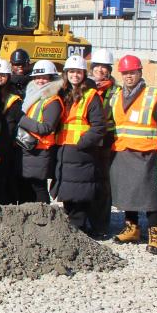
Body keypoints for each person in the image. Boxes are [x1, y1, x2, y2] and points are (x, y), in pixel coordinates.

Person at [109, 54, 157, 253]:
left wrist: (152, 142)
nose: (129, 76)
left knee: (148, 193)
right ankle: (132, 227)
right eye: (125, 73)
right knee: (127, 190)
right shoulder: (117, 96)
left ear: (140, 73)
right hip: (122, 150)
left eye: (132, 72)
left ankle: (155, 231)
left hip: (144, 153)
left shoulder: (153, 95)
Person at [52, 55, 106, 231]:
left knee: (80, 193)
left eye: (78, 72)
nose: (75, 75)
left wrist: (82, 143)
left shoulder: (91, 96)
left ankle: (79, 229)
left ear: (84, 74)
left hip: (81, 151)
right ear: (66, 73)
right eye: (71, 72)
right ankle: (72, 228)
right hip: (64, 149)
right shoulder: (62, 93)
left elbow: (99, 126)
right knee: (67, 191)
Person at [17, 60, 64, 203]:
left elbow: (46, 128)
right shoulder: (33, 95)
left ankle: (43, 218)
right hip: (27, 146)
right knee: (28, 187)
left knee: (38, 187)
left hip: (40, 149)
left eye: (44, 77)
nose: (40, 80)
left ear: (51, 78)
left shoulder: (53, 101)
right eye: (37, 77)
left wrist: (20, 118)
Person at [0, 58, 23, 204]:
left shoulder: (13, 99)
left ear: (8, 77)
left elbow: (9, 129)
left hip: (2, 151)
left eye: (2, 75)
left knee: (1, 187)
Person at [89, 48, 118, 237]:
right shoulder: (86, 89)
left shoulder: (117, 92)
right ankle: (86, 221)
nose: (100, 70)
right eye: (97, 66)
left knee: (103, 185)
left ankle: (100, 225)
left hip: (107, 144)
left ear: (109, 70)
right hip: (88, 142)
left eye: (104, 67)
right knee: (86, 182)